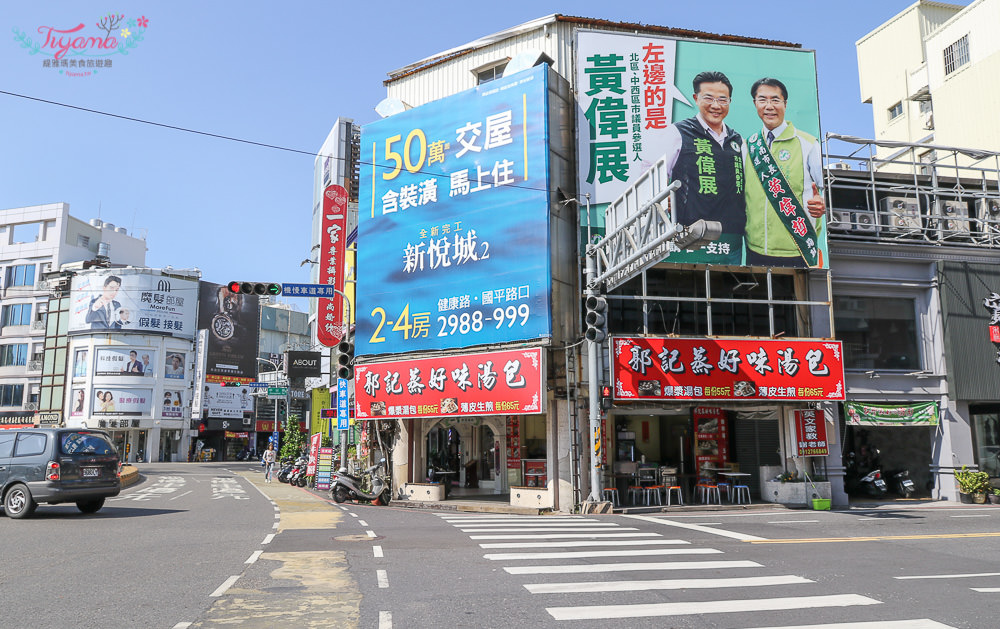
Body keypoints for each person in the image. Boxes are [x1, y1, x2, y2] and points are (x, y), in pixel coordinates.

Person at [654, 70, 746, 264]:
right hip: (690, 241)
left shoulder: (738, 141)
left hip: (730, 244)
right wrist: (662, 199)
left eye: (723, 99)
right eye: (708, 98)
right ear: (696, 98)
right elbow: (649, 171)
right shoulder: (678, 133)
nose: (716, 105)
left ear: (730, 101)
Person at [742, 77, 826, 268]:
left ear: (785, 104)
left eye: (775, 100)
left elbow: (828, 189)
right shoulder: (747, 146)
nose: (769, 106)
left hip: (798, 247)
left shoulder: (808, 144)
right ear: (755, 104)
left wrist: (823, 203)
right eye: (762, 100)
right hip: (755, 249)